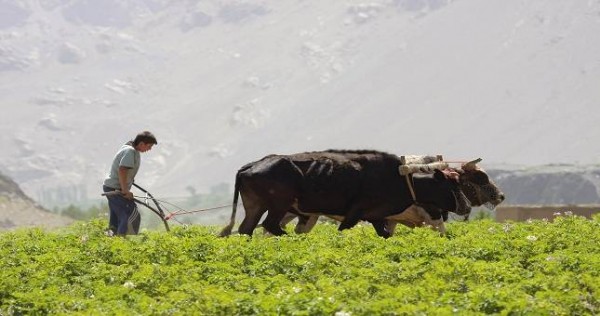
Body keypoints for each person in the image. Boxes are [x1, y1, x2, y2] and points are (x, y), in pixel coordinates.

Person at [102, 131, 157, 236]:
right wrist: (125, 191)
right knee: (129, 214)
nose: (149, 149)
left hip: (112, 187)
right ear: (141, 144)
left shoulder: (130, 148)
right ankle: (121, 243)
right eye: (149, 146)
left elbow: (125, 170)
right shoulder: (130, 151)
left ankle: (110, 239)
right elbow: (122, 170)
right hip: (115, 188)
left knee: (116, 217)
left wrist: (130, 179)